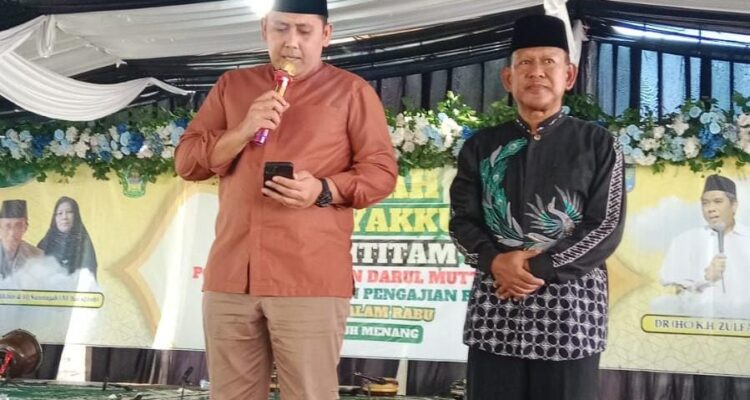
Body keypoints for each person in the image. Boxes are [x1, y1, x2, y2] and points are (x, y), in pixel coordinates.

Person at [173, 0, 398, 398]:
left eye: (304, 30)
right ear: (265, 29)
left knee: (309, 393)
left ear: (325, 35)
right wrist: (243, 129)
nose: (291, 42)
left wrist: (323, 189)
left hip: (308, 277)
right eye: (281, 29)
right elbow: (187, 162)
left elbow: (381, 173)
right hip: (232, 275)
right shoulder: (233, 86)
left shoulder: (351, 92)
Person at [449, 14, 626, 400]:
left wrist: (536, 268)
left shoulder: (598, 144)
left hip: (570, 315)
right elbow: (461, 222)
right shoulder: (480, 146)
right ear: (508, 78)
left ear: (569, 75)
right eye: (525, 63)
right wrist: (496, 261)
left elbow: (606, 225)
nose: (537, 72)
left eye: (548, 62)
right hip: (497, 307)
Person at [658, 175, 750, 316]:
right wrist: (705, 278)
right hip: (699, 323)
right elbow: (674, 296)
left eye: (717, 202)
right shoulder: (684, 242)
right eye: (705, 203)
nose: (710, 209)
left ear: (734, 206)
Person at [37, 196, 98, 278]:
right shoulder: (45, 244)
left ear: (76, 216)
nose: (64, 217)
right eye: (60, 213)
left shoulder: (83, 243)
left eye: (69, 212)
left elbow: (88, 275)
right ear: (55, 218)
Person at [0, 199, 44, 278]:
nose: (12, 233)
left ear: (25, 228)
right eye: (7, 226)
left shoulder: (37, 255)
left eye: (18, 226)